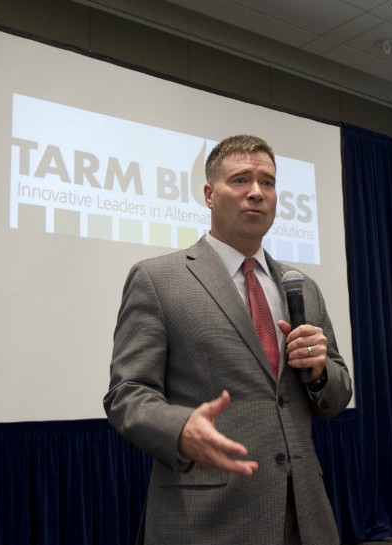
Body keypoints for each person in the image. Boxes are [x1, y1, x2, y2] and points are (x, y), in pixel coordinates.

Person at [104, 134, 353, 545]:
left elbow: (336, 397)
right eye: (240, 180)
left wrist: (322, 370)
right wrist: (180, 427)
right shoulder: (158, 279)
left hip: (305, 514)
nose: (256, 192)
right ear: (208, 194)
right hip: (208, 517)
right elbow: (126, 394)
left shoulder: (301, 287)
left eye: (267, 183)